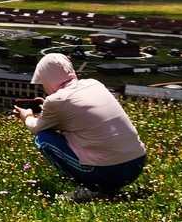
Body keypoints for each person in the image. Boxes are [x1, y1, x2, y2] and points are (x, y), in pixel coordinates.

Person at [14, 52, 147, 202]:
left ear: (47, 79)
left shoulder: (57, 101)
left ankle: (90, 188)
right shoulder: (95, 84)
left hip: (108, 171)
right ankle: (108, 187)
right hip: (137, 164)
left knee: (43, 139)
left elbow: (35, 128)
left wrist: (27, 116)